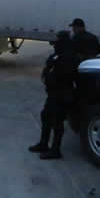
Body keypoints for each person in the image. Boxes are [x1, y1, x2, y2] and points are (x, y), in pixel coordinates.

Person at [29, 30, 80, 160]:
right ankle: (44, 143)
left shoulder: (69, 56)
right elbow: (49, 67)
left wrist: (52, 74)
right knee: (45, 116)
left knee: (57, 121)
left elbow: (66, 75)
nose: (55, 45)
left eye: (57, 42)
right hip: (53, 93)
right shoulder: (58, 54)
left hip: (63, 94)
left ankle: (55, 150)